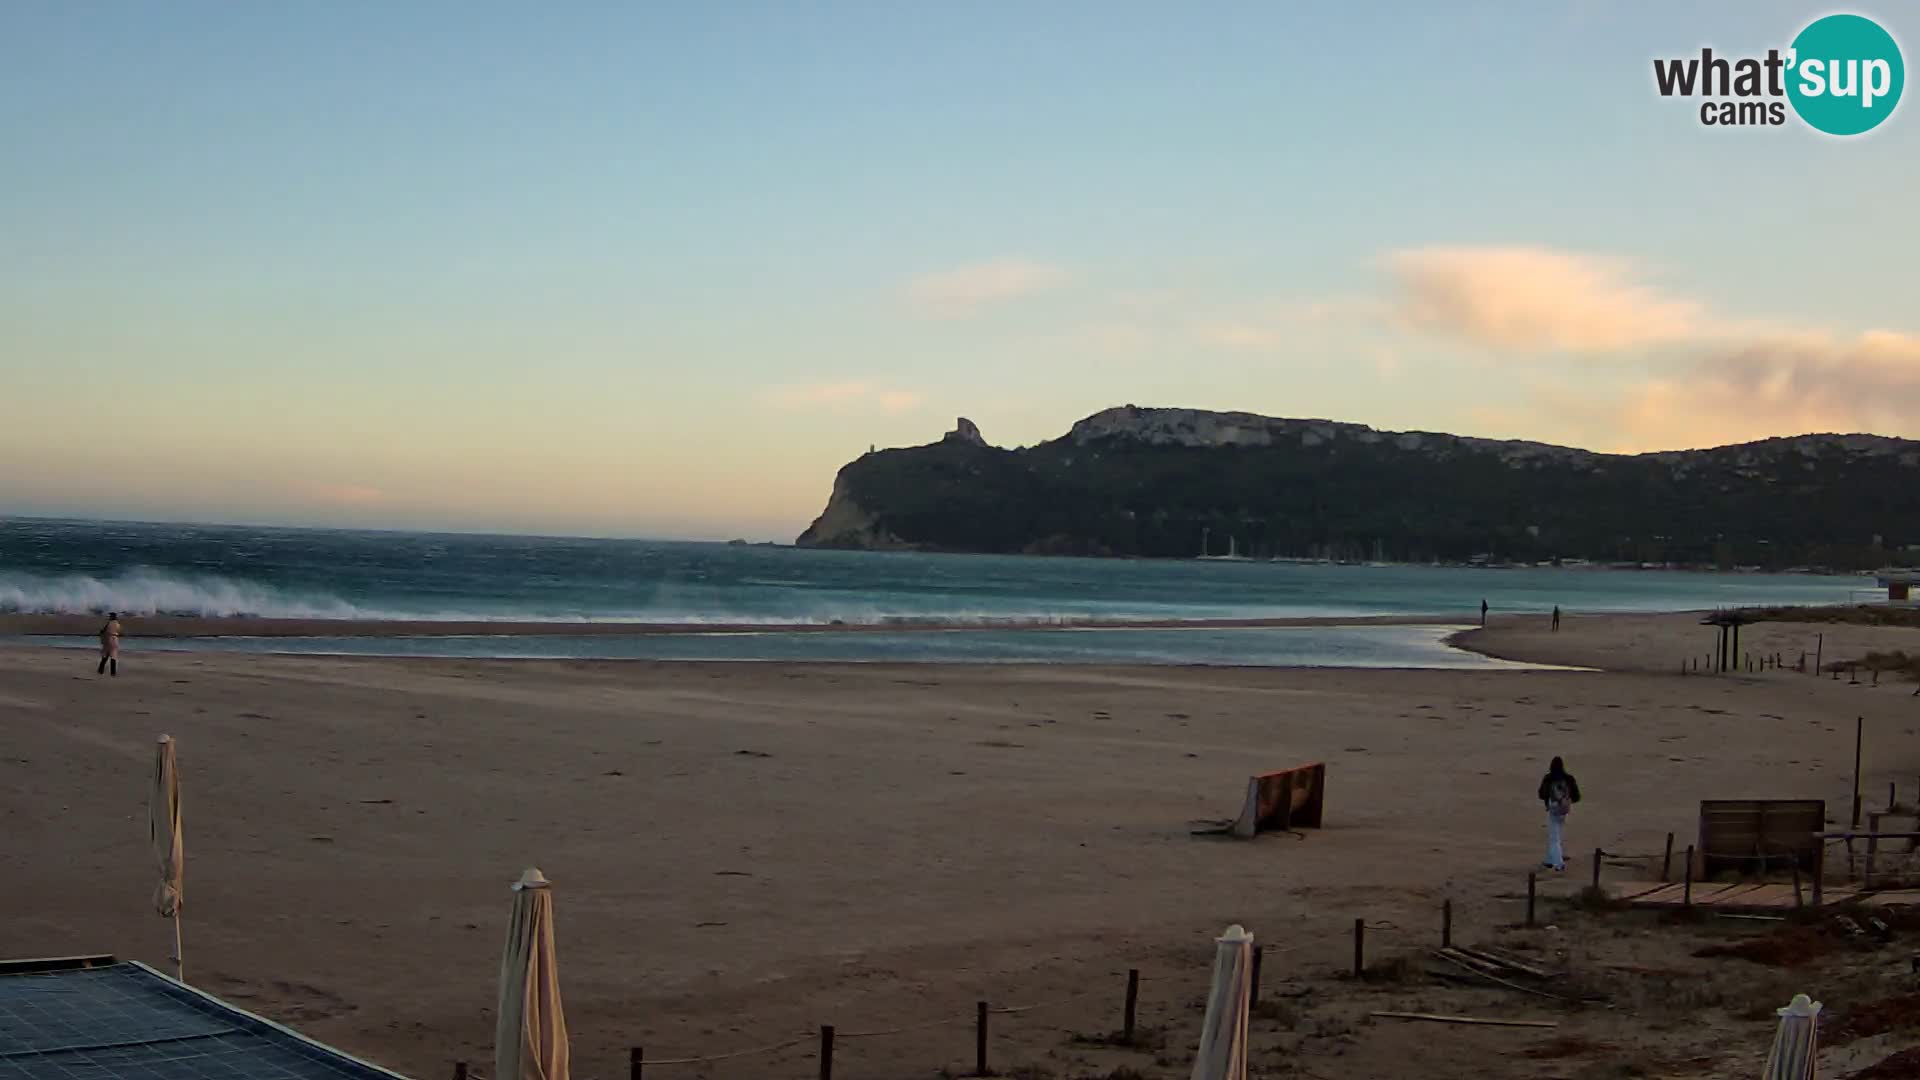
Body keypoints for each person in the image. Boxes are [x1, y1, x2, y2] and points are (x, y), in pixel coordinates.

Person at [1537, 756, 1581, 871]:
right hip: (1564, 810)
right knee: (1557, 835)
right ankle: (1550, 859)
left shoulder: (1548, 778)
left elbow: (1541, 794)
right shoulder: (1569, 778)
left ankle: (1558, 864)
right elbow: (1577, 797)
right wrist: (1566, 800)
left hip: (1553, 810)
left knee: (1554, 838)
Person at [96, 612, 121, 677]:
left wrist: (100, 632)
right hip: (115, 640)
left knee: (105, 655)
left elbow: (103, 631)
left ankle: (100, 670)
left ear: (112, 617)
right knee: (113, 656)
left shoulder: (109, 623)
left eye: (110, 616)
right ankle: (113, 673)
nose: (109, 617)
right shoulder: (118, 624)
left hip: (108, 639)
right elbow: (118, 631)